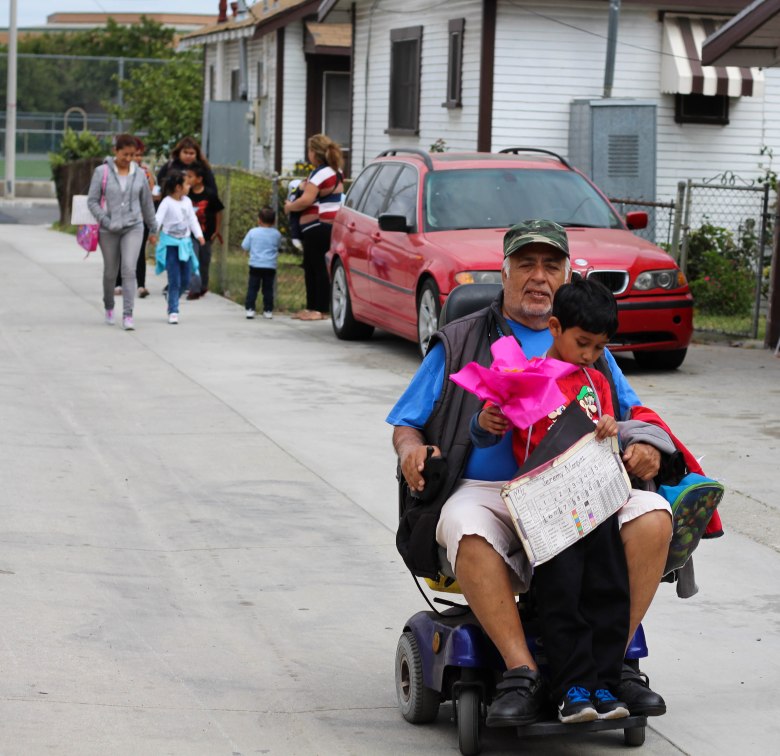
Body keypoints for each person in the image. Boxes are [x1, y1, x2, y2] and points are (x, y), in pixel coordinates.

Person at [388, 219, 673, 726]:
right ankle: (522, 672)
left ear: (567, 274)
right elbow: (406, 424)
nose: (539, 276)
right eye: (526, 264)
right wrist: (412, 450)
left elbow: (637, 415)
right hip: (489, 490)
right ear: (504, 272)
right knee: (467, 528)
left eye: (551, 265)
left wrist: (645, 443)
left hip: (581, 485)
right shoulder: (458, 339)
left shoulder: (591, 348)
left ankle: (612, 667)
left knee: (653, 514)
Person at [471, 278, 672, 723]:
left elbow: (611, 424)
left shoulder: (596, 379)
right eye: (583, 343)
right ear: (555, 328)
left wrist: (611, 427)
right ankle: (571, 689)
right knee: (561, 597)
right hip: (548, 510)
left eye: (599, 347)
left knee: (607, 590)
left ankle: (604, 683)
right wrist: (487, 421)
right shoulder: (525, 377)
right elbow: (488, 427)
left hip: (597, 504)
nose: (590, 354)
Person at [87, 133, 157, 331]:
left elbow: (146, 203)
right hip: (108, 228)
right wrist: (105, 220)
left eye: (132, 155)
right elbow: (92, 201)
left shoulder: (140, 174)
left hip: (133, 226)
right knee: (111, 272)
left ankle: (128, 314)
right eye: (125, 155)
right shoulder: (102, 172)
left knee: (128, 269)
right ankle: (109, 305)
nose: (128, 159)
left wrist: (153, 227)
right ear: (115, 151)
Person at [283, 133, 345, 321]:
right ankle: (314, 307)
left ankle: (317, 309)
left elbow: (307, 200)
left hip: (316, 226)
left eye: (309, 150)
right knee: (318, 266)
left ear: (314, 153)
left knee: (314, 267)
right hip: (330, 225)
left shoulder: (320, 173)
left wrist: (289, 207)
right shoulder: (336, 171)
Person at [154, 171, 204, 325]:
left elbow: (192, 219)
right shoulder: (166, 202)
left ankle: (171, 296)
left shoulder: (187, 201)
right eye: (186, 183)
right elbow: (157, 220)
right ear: (178, 187)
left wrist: (199, 235)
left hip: (185, 244)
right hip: (170, 245)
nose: (189, 186)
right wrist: (152, 234)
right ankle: (173, 310)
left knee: (186, 278)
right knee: (174, 278)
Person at [115, 137, 155, 299]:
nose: (135, 158)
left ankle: (141, 285)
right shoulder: (113, 171)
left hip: (139, 218)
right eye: (132, 154)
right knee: (120, 252)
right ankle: (118, 283)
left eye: (138, 155)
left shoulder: (144, 172)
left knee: (139, 253)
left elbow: (150, 194)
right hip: (119, 218)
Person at [184, 162, 224, 299]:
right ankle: (194, 289)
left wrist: (216, 231)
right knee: (193, 259)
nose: (187, 179)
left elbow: (218, 212)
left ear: (199, 179)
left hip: (206, 235)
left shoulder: (210, 194)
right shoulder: (186, 194)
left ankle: (203, 286)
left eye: (190, 177)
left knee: (204, 262)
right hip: (190, 235)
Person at [242, 206, 282, 319]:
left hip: (255, 265)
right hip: (270, 266)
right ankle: (268, 310)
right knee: (268, 288)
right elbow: (279, 246)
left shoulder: (253, 232)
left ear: (259, 220)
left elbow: (245, 246)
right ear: (274, 221)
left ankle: (250, 309)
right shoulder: (277, 234)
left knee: (253, 287)